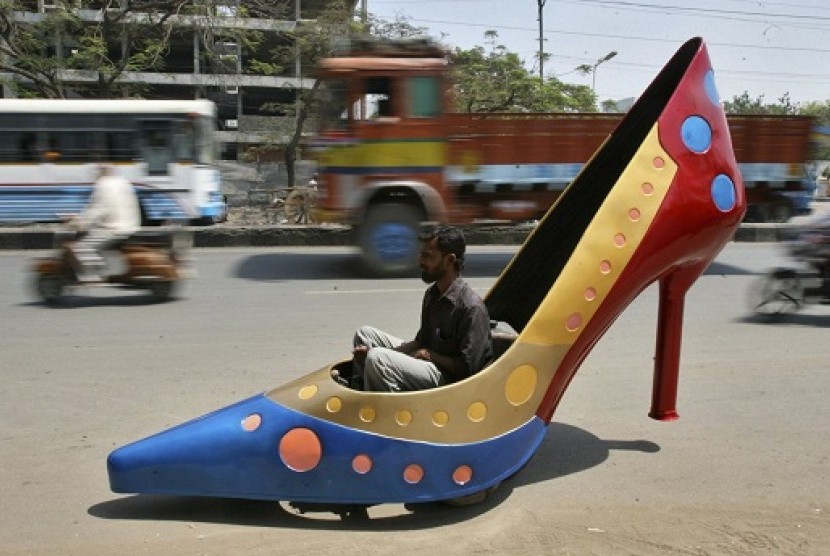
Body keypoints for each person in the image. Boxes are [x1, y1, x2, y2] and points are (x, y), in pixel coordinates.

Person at [351, 225, 493, 392]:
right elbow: (420, 342)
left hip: (449, 379)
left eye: (427, 256)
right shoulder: (432, 294)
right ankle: (362, 388)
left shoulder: (472, 308)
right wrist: (381, 351)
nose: (420, 262)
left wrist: (430, 355)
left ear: (449, 260)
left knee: (378, 359)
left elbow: (467, 368)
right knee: (365, 335)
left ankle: (382, 410)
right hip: (427, 361)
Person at [68, 165, 141, 282]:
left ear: (101, 173)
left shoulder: (103, 184)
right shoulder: (123, 182)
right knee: (95, 238)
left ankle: (94, 275)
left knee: (83, 247)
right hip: (131, 224)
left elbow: (97, 209)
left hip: (115, 227)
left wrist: (81, 222)